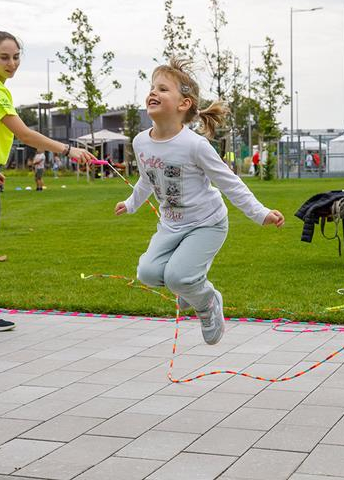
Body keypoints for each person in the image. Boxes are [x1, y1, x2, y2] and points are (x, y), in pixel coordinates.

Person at [114, 58, 284, 346]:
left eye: (163, 89)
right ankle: (189, 288)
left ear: (184, 104)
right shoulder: (140, 141)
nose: (154, 92)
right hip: (171, 225)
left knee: (179, 278)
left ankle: (207, 304)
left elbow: (229, 182)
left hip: (207, 223)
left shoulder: (195, 145)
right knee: (148, 273)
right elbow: (147, 178)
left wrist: (261, 213)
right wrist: (131, 203)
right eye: (153, 87)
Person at [0, 31, 95, 352]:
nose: (12, 63)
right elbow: (24, 134)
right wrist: (68, 151)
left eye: (15, 57)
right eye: (4, 57)